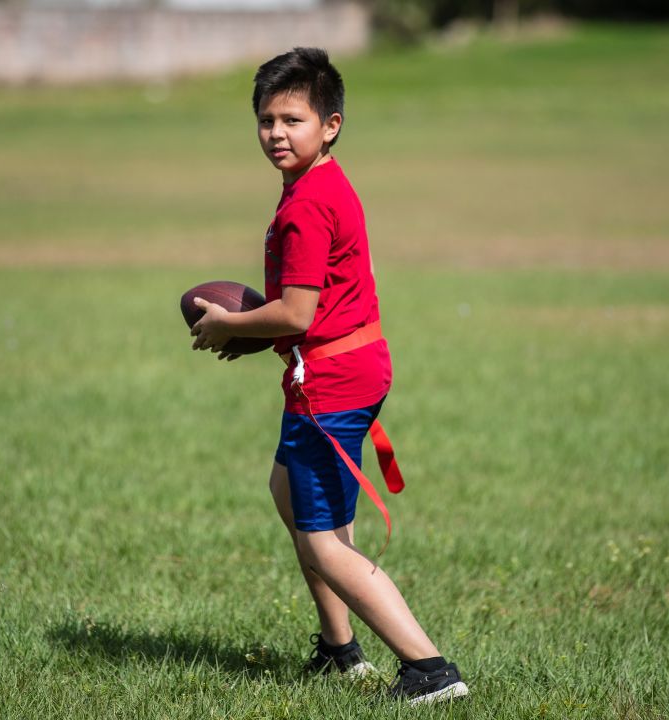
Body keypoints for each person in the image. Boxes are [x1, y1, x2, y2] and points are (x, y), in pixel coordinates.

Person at [189, 47, 469, 706]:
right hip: (351, 365)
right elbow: (307, 311)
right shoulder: (325, 183)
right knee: (290, 493)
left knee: (323, 538)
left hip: (333, 383)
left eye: (293, 119)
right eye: (266, 120)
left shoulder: (306, 205)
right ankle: (340, 652)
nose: (277, 133)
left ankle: (431, 670)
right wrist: (267, 331)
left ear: (331, 124)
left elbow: (296, 309)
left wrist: (231, 326)